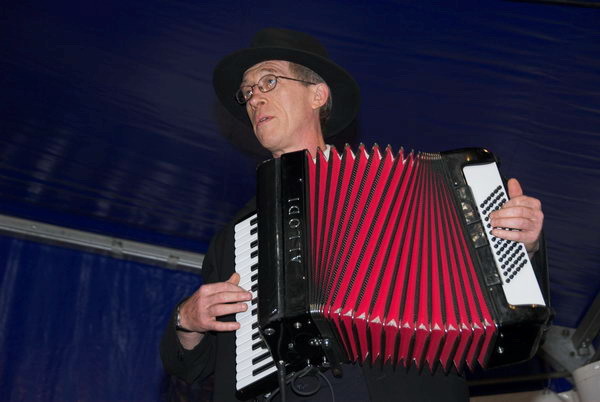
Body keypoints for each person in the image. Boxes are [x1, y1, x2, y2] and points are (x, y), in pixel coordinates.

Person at [160, 27, 547, 401]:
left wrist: (520, 247)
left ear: (318, 95)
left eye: (269, 82)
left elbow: (488, 295)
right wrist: (187, 321)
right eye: (247, 93)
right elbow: (196, 364)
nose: (255, 100)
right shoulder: (237, 238)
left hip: (403, 387)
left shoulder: (408, 188)